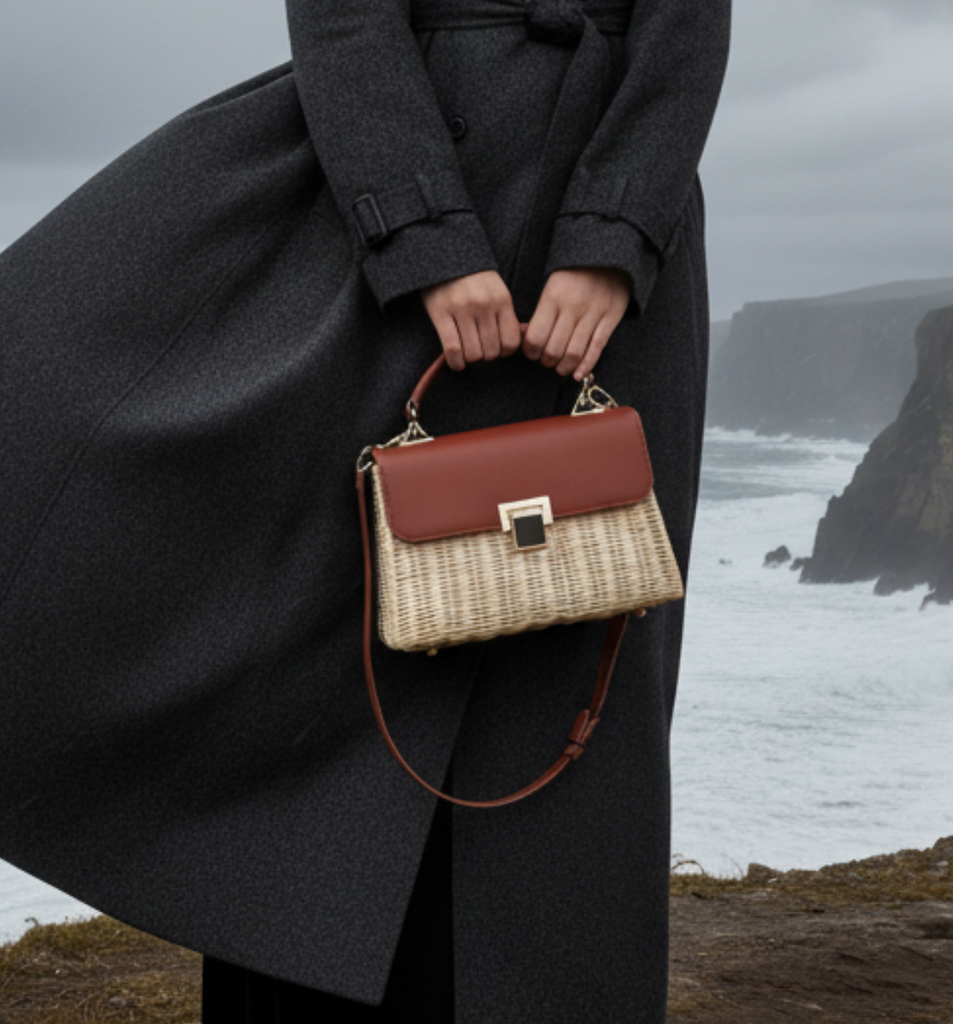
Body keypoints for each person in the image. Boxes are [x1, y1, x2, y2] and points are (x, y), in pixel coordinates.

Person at [0, 0, 731, 1020]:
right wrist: (423, 232)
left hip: (611, 258)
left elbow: (690, 20)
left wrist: (619, 231)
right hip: (383, 203)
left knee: (578, 637)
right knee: (328, 634)